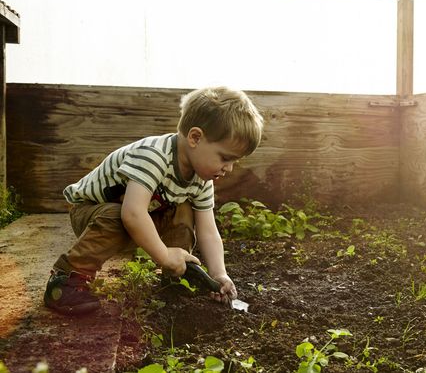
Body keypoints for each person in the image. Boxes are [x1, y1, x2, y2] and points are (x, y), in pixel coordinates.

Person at [43, 86, 264, 315]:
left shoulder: (201, 179)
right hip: (90, 214)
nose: (228, 168)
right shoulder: (153, 155)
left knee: (184, 210)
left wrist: (219, 275)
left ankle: (176, 277)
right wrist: (165, 255)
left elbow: (208, 230)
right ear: (195, 137)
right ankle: (66, 279)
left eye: (234, 162)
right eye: (225, 158)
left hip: (138, 217)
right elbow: (133, 214)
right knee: (119, 215)